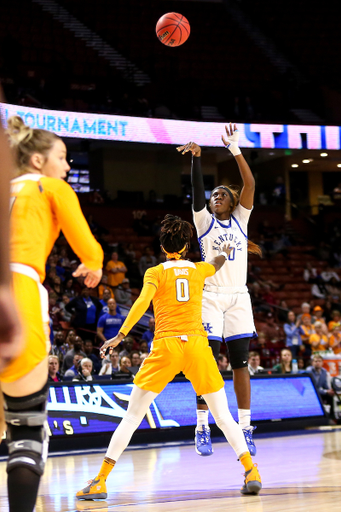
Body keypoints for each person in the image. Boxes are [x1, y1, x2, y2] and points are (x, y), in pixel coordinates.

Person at [76, 214, 261, 500]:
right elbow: (215, 264)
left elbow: (140, 303)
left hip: (166, 345)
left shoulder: (155, 272)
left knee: (132, 416)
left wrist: (120, 336)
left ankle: (100, 481)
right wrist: (225, 251)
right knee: (223, 416)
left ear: (163, 248)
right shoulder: (198, 270)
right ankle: (251, 471)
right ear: (186, 247)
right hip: (198, 345)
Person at [0, 115, 103, 512]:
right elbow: (85, 242)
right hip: (17, 290)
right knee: (26, 432)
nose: (67, 166)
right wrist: (94, 262)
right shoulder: (49, 185)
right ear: (39, 162)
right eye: (61, 157)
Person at [177, 124, 262, 457]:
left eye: (222, 194)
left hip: (238, 297)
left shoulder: (242, 219)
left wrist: (235, 149)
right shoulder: (203, 222)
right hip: (210, 296)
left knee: (240, 364)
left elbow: (251, 184)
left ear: (232, 202)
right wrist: (198, 159)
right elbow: (197, 193)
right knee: (206, 362)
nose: (216, 197)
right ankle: (202, 426)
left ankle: (244, 428)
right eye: (214, 195)